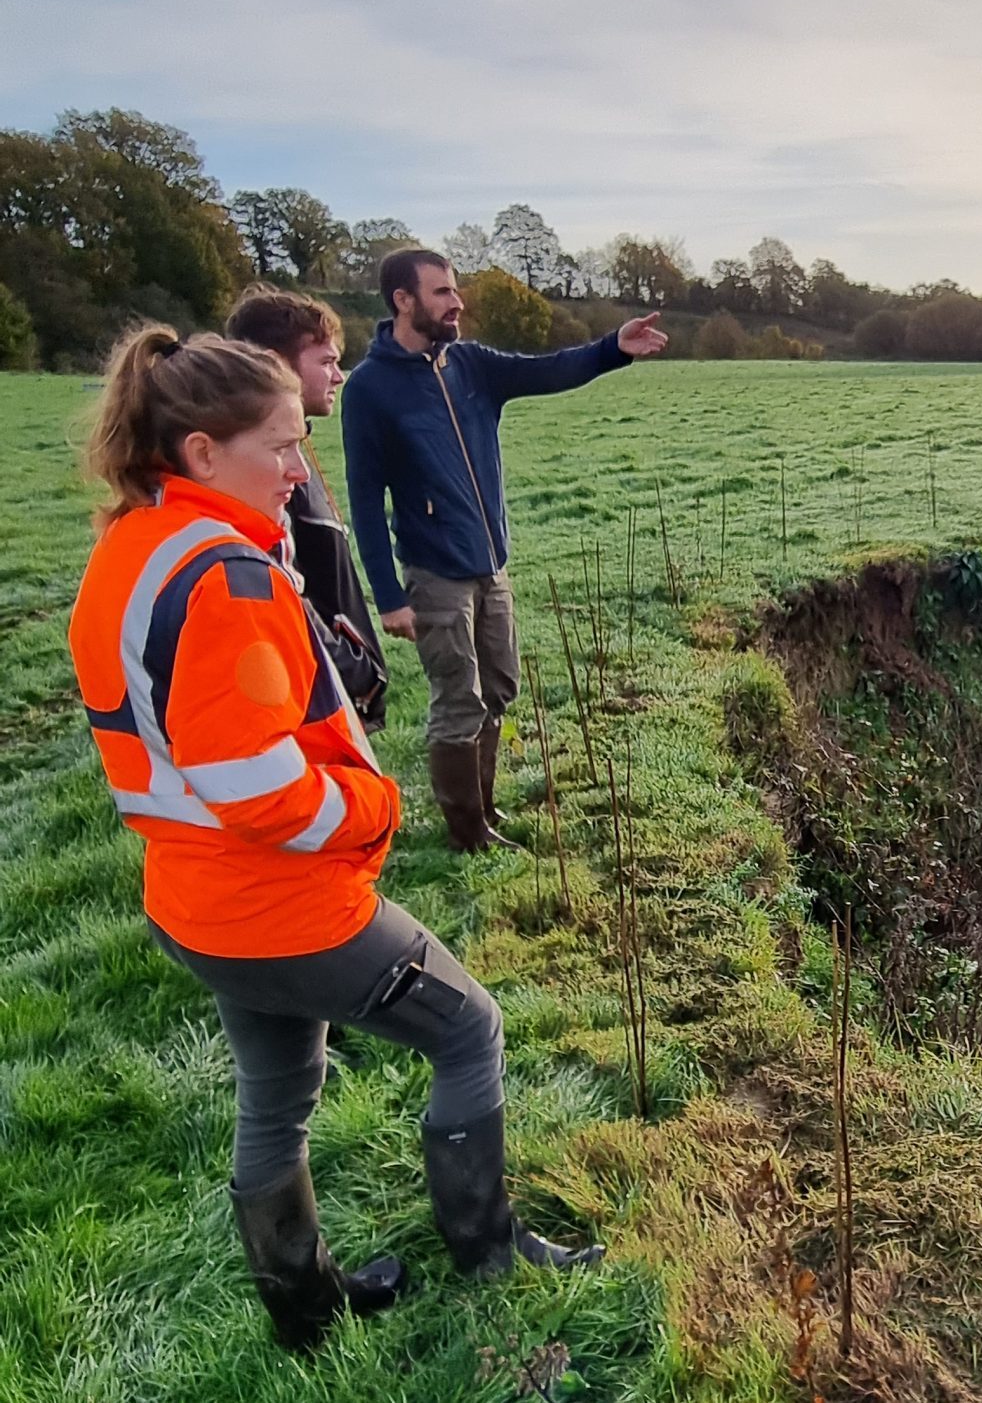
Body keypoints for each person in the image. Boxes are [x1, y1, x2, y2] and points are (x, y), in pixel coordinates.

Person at [67, 326, 603, 1355]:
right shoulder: (226, 579)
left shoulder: (132, 544)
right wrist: (375, 809)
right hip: (282, 902)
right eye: (281, 445)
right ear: (200, 454)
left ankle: (308, 1312)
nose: (300, 469)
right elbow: (258, 790)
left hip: (194, 899)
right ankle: (491, 1258)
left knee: (277, 1095)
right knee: (468, 1030)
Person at [342, 249, 667, 851]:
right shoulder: (370, 389)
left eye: (455, 290)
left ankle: (485, 812)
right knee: (458, 698)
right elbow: (363, 497)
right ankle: (466, 835)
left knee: (500, 687)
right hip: (434, 572)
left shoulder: (471, 364)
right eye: (441, 292)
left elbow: (546, 371)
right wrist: (388, 596)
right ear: (403, 301)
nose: (456, 301)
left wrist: (612, 348)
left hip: (492, 566)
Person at [225, 284, 388, 731]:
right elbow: (283, 595)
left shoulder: (291, 452)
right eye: (328, 362)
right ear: (278, 366)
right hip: (313, 704)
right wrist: (354, 672)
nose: (339, 376)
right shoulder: (259, 474)